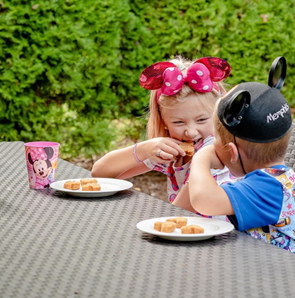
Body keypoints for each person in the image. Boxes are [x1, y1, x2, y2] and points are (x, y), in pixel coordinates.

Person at [177, 73, 295, 261]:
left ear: (232, 153)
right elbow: (179, 209)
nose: (211, 146)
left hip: (293, 283)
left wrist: (201, 158)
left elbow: (202, 200)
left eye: (215, 140)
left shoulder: (270, 189)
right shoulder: (269, 180)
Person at [91, 56, 238, 203]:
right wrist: (142, 150)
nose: (191, 132)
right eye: (179, 122)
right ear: (164, 122)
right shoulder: (172, 150)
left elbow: (185, 207)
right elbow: (100, 174)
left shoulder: (218, 152)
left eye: (201, 120)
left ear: (218, 115)